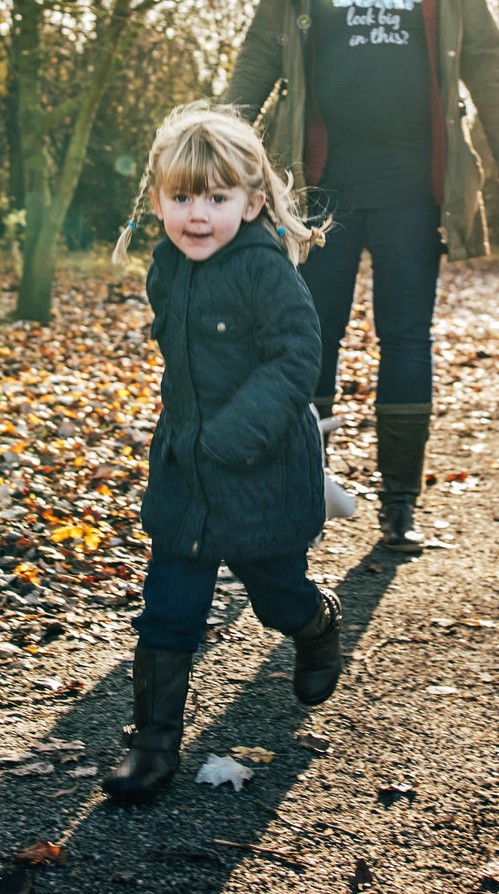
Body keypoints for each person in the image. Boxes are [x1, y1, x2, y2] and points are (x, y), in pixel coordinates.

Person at [224, 0, 499, 554]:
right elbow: (261, 53)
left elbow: (487, 60)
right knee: (311, 335)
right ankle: (297, 490)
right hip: (321, 179)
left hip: (413, 181)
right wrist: (223, 146)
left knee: (405, 334)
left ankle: (399, 504)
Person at [104, 106, 345, 806]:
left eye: (217, 197)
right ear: (157, 202)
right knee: (168, 606)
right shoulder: (167, 267)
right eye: (182, 198)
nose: (198, 215)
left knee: (275, 596)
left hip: (259, 473)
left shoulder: (263, 271)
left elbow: (297, 356)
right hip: (187, 477)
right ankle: (152, 745)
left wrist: (236, 432)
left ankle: (316, 620)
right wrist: (185, 432)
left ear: (253, 200)